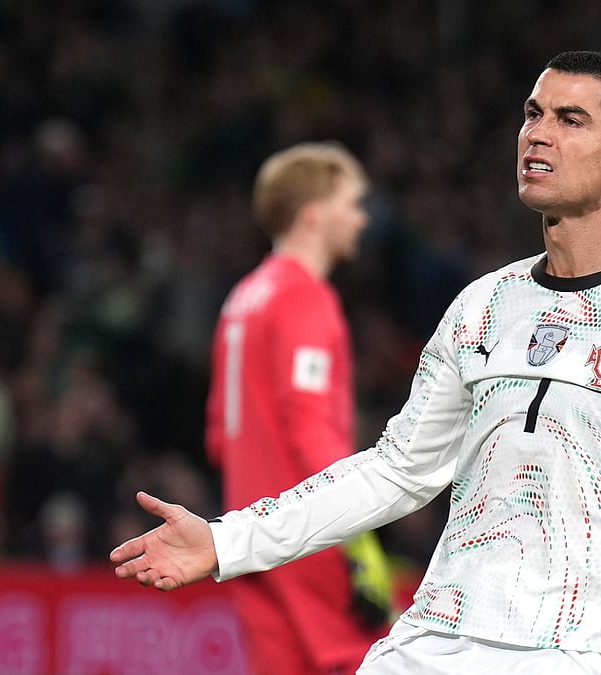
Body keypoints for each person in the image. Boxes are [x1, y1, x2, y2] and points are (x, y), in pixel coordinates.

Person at [112, 51, 601, 675]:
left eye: (570, 119)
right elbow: (398, 468)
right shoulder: (485, 307)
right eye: (532, 114)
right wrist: (229, 542)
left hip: (581, 651)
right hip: (434, 639)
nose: (537, 134)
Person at [203, 141, 392, 674]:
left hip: (246, 532)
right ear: (313, 216)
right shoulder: (303, 297)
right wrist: (359, 532)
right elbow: (309, 427)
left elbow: (219, 434)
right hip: (305, 532)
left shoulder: (243, 298)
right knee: (366, 662)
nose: (361, 219)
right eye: (351, 204)